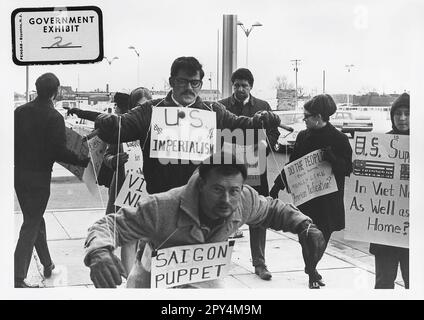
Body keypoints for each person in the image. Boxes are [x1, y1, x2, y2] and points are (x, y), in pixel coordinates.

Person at [83, 151, 326, 288]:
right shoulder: (161, 207)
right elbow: (109, 225)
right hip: (152, 283)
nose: (227, 200)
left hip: (204, 281)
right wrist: (99, 252)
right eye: (218, 190)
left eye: (234, 191)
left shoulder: (245, 199)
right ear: (201, 185)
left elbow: (273, 210)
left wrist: (303, 224)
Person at [14, 73, 90, 288]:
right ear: (56, 92)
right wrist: (83, 160)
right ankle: (17, 276)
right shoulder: (53, 117)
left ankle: (47, 264)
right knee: (31, 223)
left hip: (19, 175)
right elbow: (59, 152)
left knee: (35, 218)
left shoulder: (19, 111)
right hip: (39, 177)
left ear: (37, 89)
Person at [269, 94, 353, 289]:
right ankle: (312, 272)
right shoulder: (303, 136)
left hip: (329, 200)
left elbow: (347, 169)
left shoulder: (339, 139)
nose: (304, 119)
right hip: (307, 199)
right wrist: (277, 186)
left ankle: (311, 267)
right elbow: (293, 166)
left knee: (322, 238)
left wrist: (332, 158)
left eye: (306, 116)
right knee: (306, 238)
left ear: (318, 117)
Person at [219, 68, 279, 281]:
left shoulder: (263, 107)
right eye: (237, 85)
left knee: (258, 213)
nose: (241, 89)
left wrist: (264, 143)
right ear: (232, 85)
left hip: (256, 168)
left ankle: (259, 263)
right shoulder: (222, 106)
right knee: (223, 213)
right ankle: (219, 263)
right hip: (227, 169)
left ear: (251, 86)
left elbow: (274, 131)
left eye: (245, 85)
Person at [102, 89, 152, 273]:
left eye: (148, 105)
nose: (144, 110)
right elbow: (106, 156)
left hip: (150, 191)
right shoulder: (125, 127)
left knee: (146, 239)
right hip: (126, 188)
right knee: (129, 237)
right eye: (140, 106)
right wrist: (114, 160)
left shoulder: (157, 129)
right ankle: (130, 281)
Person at [369, 93, 409, 289]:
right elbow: (367, 185)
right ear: (392, 116)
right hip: (385, 229)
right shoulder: (380, 144)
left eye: (407, 113)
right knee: (384, 282)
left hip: (414, 230)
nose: (402, 118)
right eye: (398, 113)